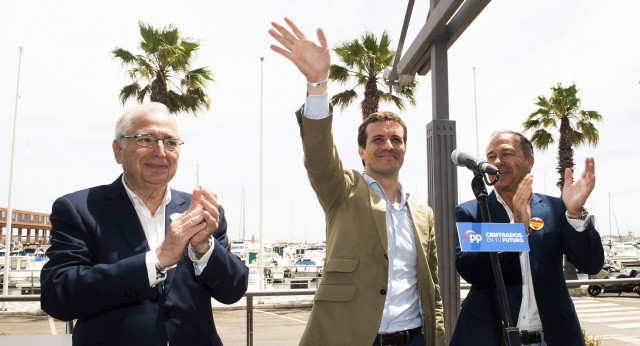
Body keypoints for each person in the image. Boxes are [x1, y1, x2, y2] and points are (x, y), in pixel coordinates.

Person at [269, 18, 444, 346]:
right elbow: (319, 156)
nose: (388, 146)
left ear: (405, 148)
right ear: (361, 150)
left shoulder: (424, 215)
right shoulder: (342, 189)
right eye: (378, 140)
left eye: (396, 139)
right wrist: (318, 84)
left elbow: (431, 289)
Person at [40, 102, 248, 346]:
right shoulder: (80, 209)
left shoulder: (201, 212)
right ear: (118, 150)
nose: (160, 151)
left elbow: (232, 290)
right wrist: (156, 261)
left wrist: (204, 248)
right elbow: (58, 296)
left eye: (170, 142)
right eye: (145, 139)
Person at [450, 131, 605, 346]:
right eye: (491, 155)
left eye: (506, 153)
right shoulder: (472, 212)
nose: (497, 161)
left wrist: (576, 214)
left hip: (553, 338)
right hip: (490, 337)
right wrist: (517, 231)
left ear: (529, 162)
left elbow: (591, 264)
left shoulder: (556, 208)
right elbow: (471, 269)